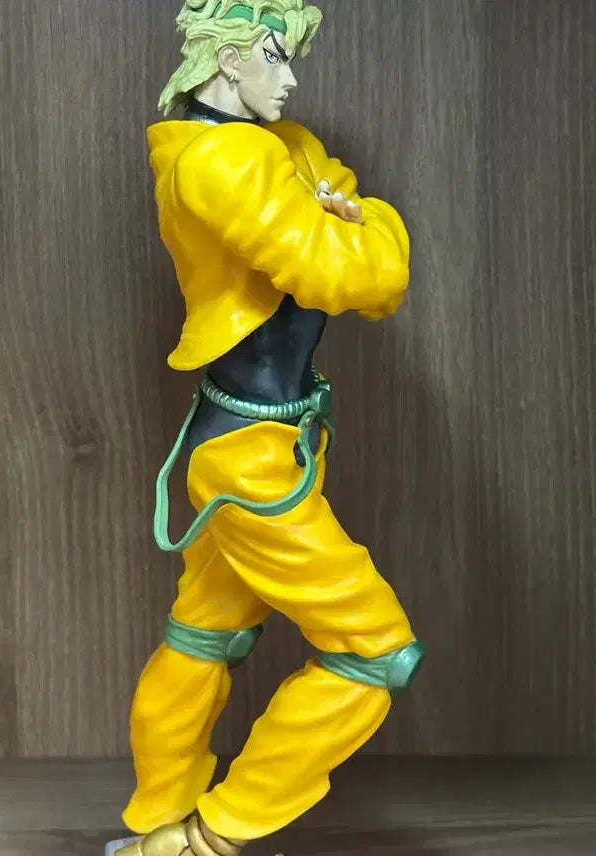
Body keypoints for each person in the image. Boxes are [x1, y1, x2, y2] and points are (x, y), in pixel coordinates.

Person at [115, 3, 423, 854]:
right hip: (249, 460)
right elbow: (355, 276)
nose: (289, 80)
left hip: (256, 439)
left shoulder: (274, 145)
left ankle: (158, 827)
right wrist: (354, 225)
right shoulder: (222, 160)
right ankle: (212, 836)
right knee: (375, 650)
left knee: (203, 634)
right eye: (276, 57)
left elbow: (345, 199)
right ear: (227, 60)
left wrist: (350, 219)